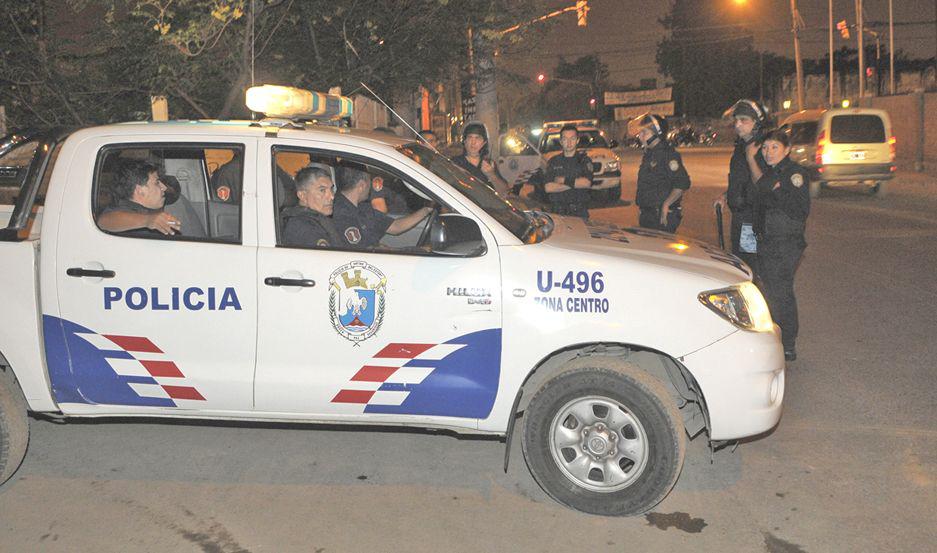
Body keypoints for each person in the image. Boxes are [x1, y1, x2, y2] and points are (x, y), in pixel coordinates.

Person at [750, 129, 810, 361]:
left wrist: (775, 192)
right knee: (771, 291)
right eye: (765, 148)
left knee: (781, 292)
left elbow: (800, 209)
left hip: (785, 242)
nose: (768, 152)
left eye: (774, 147)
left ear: (787, 150)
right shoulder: (770, 174)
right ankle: (777, 339)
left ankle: (787, 343)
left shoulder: (795, 174)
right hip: (768, 240)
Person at [715, 99, 770, 271]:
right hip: (739, 216)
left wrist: (751, 158)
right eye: (736, 120)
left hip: (752, 218)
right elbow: (741, 180)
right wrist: (726, 195)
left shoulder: (764, 148)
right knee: (739, 262)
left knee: (749, 265)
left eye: (744, 120)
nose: (738, 124)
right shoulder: (741, 147)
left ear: (757, 122)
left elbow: (763, 184)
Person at [332, 166, 434, 249]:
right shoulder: (340, 215)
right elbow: (365, 253)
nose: (371, 185)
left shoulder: (362, 208)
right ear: (362, 185)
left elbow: (395, 227)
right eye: (369, 180)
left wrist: (427, 209)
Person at [632, 114, 691, 232]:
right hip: (648, 215)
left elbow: (682, 183)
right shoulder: (649, 154)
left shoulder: (668, 155)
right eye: (640, 133)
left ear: (657, 134)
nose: (641, 136)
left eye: (645, 133)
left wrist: (666, 205)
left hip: (662, 216)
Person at [98, 160, 181, 235]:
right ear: (140, 190)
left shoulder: (150, 210)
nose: (164, 187)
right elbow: (104, 221)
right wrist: (148, 220)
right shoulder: (124, 210)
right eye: (157, 183)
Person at [281, 166, 342, 248]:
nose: (331, 196)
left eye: (331, 189)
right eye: (322, 190)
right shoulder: (301, 227)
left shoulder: (317, 220)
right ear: (302, 195)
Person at [542, 124, 593, 218]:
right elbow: (548, 187)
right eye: (565, 139)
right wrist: (575, 184)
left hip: (579, 212)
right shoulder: (553, 161)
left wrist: (563, 181)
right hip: (558, 212)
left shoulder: (584, 160)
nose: (569, 143)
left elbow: (586, 183)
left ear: (577, 140)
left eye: (572, 139)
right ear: (561, 142)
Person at [451, 122, 509, 196]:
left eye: (477, 138)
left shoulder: (489, 164)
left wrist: (491, 175)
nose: (473, 142)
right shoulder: (455, 163)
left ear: (484, 142)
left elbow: (504, 192)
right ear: (464, 141)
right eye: (470, 138)